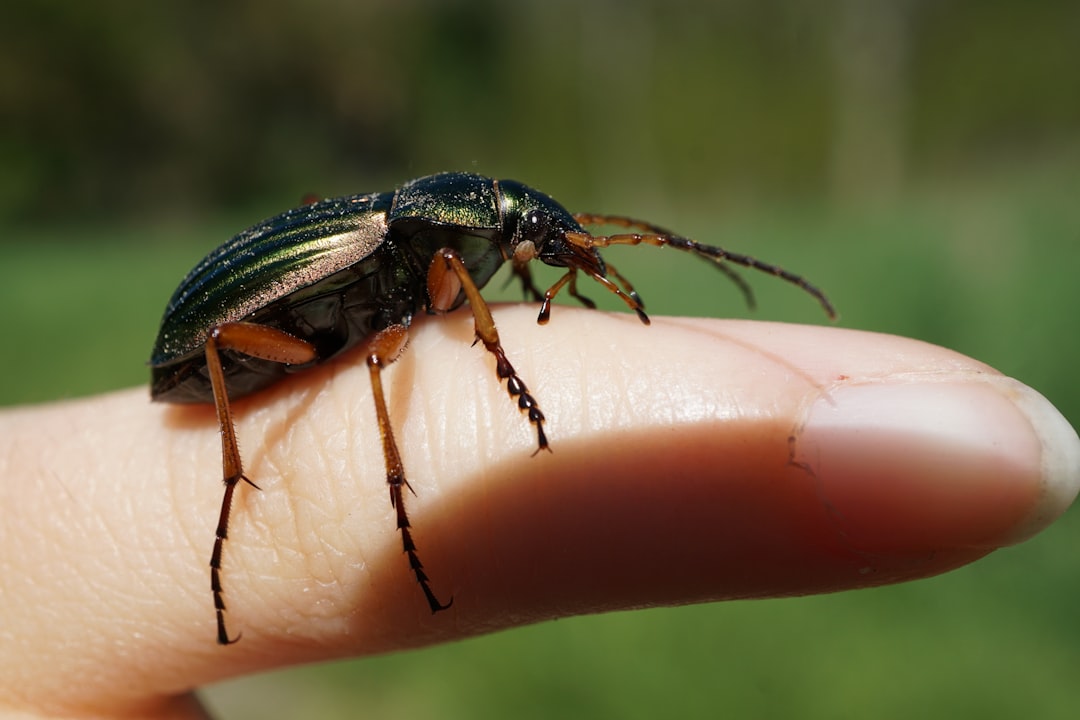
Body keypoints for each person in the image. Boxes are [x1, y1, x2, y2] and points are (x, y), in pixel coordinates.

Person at [1, 309, 1077, 719]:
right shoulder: (405, 258)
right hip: (208, 354)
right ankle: (241, 493)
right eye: (519, 239)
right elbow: (359, 352)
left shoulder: (449, 252)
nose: (534, 257)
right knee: (363, 371)